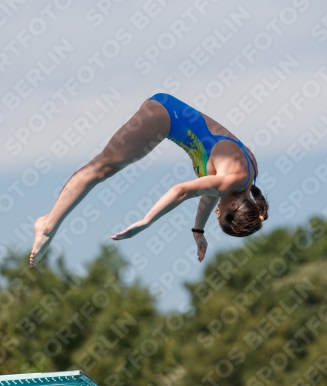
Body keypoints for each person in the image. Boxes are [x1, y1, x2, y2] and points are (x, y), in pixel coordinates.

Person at [30, 93, 268, 267]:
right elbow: (182, 191)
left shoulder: (246, 177)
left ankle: (49, 223)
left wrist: (198, 230)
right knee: (102, 168)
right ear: (235, 206)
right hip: (163, 118)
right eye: (223, 214)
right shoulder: (232, 181)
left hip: (167, 112)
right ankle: (48, 225)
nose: (217, 211)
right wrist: (146, 222)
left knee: (104, 167)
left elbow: (208, 192)